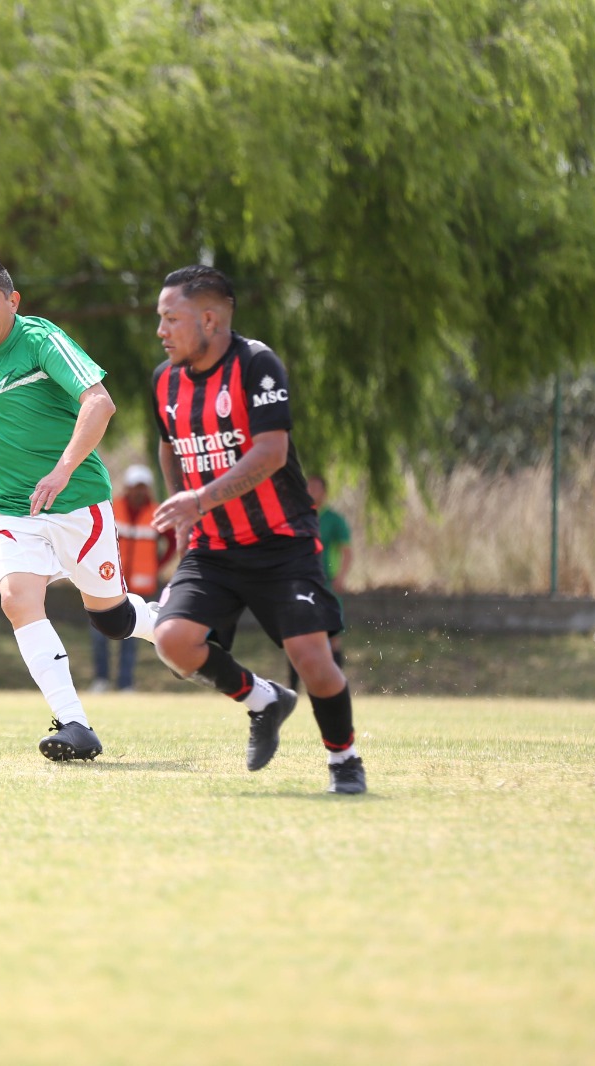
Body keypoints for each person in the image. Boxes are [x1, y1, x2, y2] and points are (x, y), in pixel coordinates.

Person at [148, 265, 365, 794]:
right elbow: (168, 444)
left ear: (209, 319)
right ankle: (263, 700)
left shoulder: (256, 365)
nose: (161, 330)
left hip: (281, 544)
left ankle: (344, 761)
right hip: (214, 549)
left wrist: (199, 498)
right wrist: (185, 512)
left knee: (312, 658)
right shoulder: (164, 379)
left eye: (170, 318)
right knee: (172, 642)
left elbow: (271, 454)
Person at [0, 256, 158, 761]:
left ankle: (185, 627)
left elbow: (100, 403)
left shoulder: (40, 340)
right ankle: (75, 725)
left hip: (75, 503)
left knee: (112, 618)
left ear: (12, 301)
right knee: (18, 599)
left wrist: (61, 469)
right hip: (13, 512)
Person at [88, 464, 175, 693]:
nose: (139, 492)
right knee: (100, 632)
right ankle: (101, 680)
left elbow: (172, 541)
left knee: (132, 635)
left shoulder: (156, 513)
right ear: (127, 487)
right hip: (108, 581)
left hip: (140, 585)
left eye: (143, 487)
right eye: (135, 487)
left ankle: (126, 683)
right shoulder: (111, 508)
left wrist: (158, 564)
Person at [289, 473, 352, 691]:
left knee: (333, 636)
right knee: (295, 635)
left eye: (317, 487)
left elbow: (346, 551)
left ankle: (338, 687)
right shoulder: (297, 517)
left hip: (326, 584)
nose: (312, 491)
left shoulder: (334, 520)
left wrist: (341, 577)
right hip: (301, 583)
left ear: (324, 492)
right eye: (309, 487)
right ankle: (293, 688)